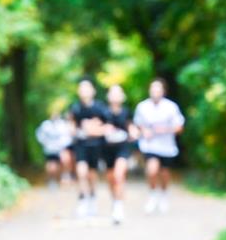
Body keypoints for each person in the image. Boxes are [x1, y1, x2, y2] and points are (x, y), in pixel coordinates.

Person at [134, 78, 185, 214]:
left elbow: (179, 127)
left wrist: (164, 130)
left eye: (158, 89)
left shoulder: (171, 107)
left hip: (167, 147)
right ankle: (152, 194)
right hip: (150, 146)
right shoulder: (142, 107)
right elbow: (138, 124)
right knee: (151, 170)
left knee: (164, 173)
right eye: (153, 89)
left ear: (163, 91)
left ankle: (163, 194)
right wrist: (144, 131)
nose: (155, 92)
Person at [69, 78, 109, 218]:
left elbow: (107, 126)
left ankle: (92, 198)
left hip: (96, 145)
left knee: (92, 175)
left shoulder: (100, 107)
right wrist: (79, 131)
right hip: (81, 145)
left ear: (93, 91)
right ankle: (82, 199)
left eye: (86, 88)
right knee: (81, 172)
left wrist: (94, 129)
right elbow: (72, 126)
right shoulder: (75, 107)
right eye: (81, 88)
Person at [101, 85, 137, 224]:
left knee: (119, 175)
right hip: (107, 149)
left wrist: (134, 132)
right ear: (108, 96)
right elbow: (95, 127)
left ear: (122, 96)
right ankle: (115, 201)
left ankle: (119, 206)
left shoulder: (127, 112)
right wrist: (103, 129)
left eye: (118, 94)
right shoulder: (103, 113)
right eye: (113, 93)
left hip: (123, 147)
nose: (115, 96)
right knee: (111, 178)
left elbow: (132, 127)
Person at [35, 108, 73, 189]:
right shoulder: (45, 125)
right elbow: (39, 135)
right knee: (51, 166)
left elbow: (67, 136)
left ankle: (63, 177)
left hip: (60, 149)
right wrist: (45, 143)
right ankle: (52, 180)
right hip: (49, 149)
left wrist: (63, 146)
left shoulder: (62, 125)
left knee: (63, 162)